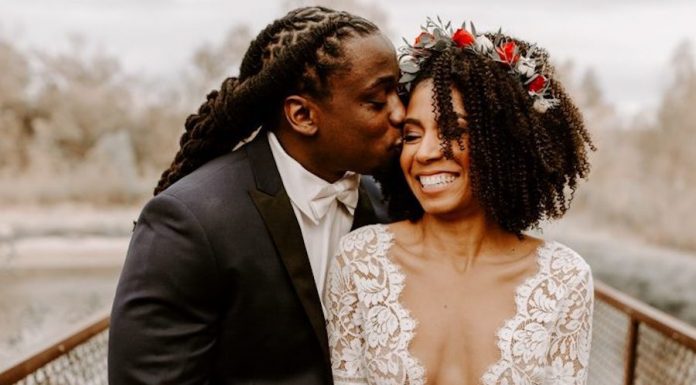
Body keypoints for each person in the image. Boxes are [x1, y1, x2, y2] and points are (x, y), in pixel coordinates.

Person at [108, 6, 404, 385]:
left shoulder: (390, 204)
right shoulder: (189, 222)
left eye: (399, 91)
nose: (400, 113)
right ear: (302, 115)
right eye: (377, 101)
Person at [325, 18, 596, 385]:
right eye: (412, 135)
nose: (424, 153)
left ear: (505, 143)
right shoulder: (360, 260)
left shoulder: (564, 279)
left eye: (454, 130)